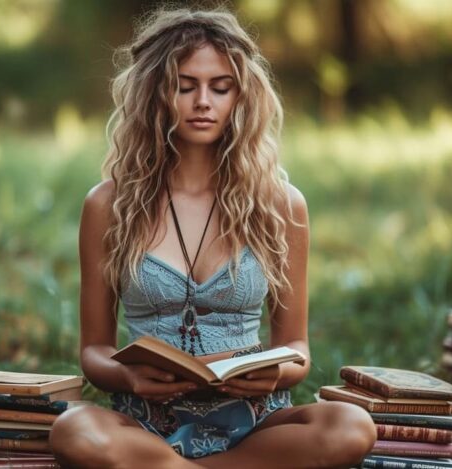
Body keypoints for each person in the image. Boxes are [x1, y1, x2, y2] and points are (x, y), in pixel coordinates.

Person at [49, 6, 376, 469]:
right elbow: (94, 352)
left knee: (352, 426)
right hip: (145, 426)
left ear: (241, 97)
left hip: (254, 426)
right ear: (153, 95)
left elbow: (298, 351)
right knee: (73, 431)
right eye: (184, 86)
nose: (203, 101)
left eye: (220, 88)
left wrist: (273, 374)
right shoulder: (108, 205)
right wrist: (132, 378)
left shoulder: (281, 205)